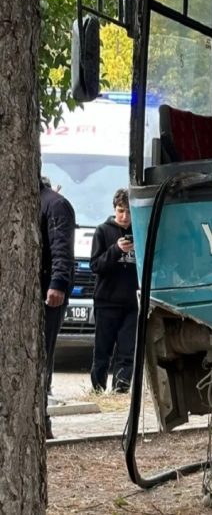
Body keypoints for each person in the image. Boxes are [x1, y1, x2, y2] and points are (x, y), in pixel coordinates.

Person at [90, 188, 139, 393]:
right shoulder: (103, 231)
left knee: (127, 351)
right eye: (120, 211)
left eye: (128, 212)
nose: (124, 216)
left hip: (131, 302)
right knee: (103, 350)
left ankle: (121, 388)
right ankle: (98, 388)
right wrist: (116, 250)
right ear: (114, 209)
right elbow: (96, 265)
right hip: (107, 301)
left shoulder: (139, 230)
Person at [40, 177, 76, 438]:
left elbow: (62, 249)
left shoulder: (55, 205)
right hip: (36, 289)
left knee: (43, 354)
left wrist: (58, 282)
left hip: (47, 292)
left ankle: (43, 421)